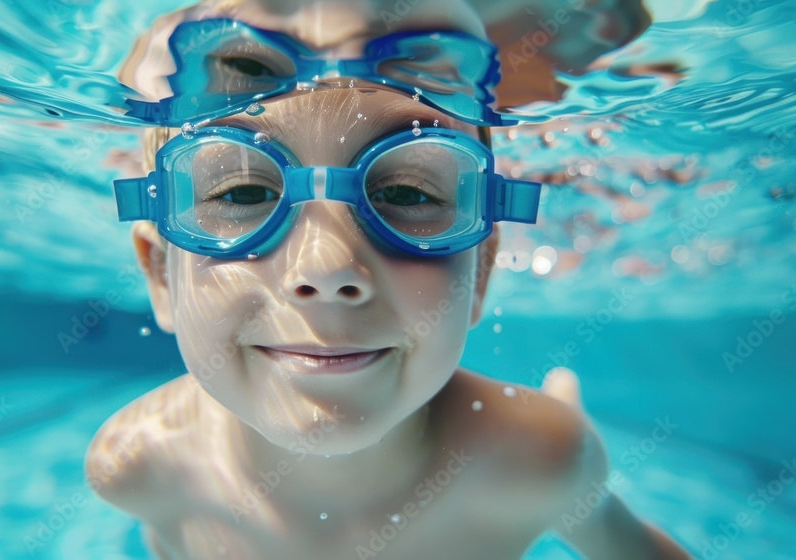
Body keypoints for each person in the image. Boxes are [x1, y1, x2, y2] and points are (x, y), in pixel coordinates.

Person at [86, 1, 689, 558]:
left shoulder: (541, 463)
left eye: (407, 192)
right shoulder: (140, 466)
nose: (325, 268)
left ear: (479, 271)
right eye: (243, 191)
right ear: (161, 272)